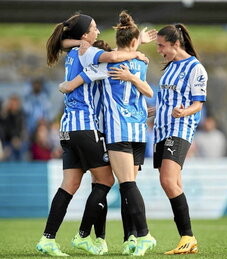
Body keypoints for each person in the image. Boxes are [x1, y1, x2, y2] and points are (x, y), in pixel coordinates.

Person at [36, 13, 151, 257]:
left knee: (70, 184)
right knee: (107, 181)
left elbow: (65, 47)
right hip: (86, 127)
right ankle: (83, 235)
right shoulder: (88, 54)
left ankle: (48, 239)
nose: (98, 32)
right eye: (95, 28)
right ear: (84, 35)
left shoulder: (73, 52)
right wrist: (136, 52)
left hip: (68, 129)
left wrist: (68, 83)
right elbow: (113, 57)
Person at [153, 24, 208, 255]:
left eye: (161, 45)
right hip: (160, 130)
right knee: (174, 183)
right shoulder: (169, 68)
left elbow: (198, 104)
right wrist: (144, 112)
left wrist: (183, 112)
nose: (158, 50)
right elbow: (164, 104)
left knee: (167, 181)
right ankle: (186, 240)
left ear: (176, 44)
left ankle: (188, 236)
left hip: (180, 128)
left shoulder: (196, 68)